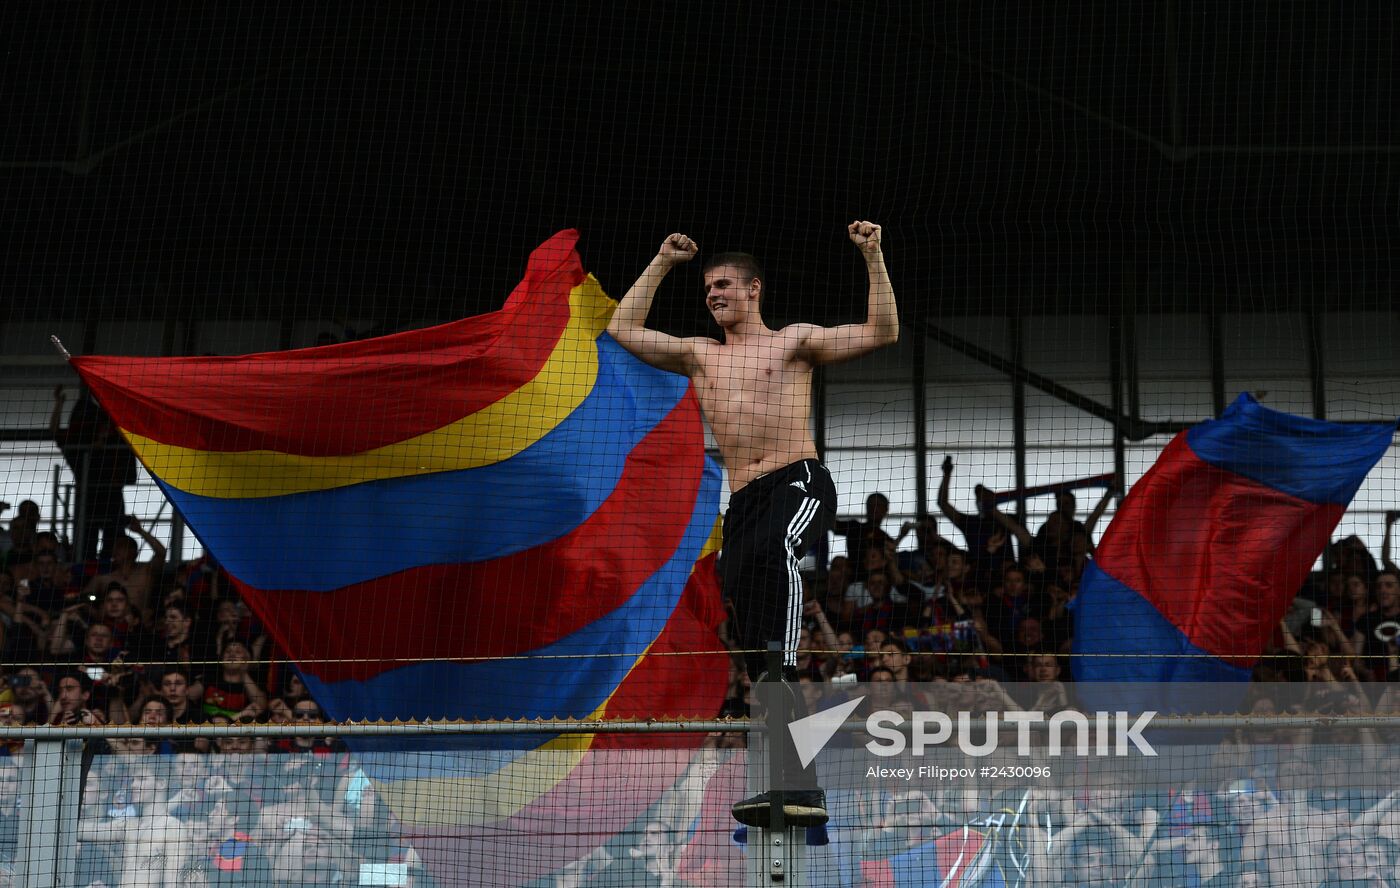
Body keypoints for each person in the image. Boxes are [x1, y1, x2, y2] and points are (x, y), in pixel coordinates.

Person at [609, 222, 897, 828]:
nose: (712, 294)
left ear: (753, 290)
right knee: (738, 583)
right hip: (742, 501)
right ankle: (793, 782)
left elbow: (881, 331)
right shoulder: (700, 354)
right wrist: (663, 260)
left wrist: (871, 254)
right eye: (707, 287)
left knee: (774, 555)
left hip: (796, 480)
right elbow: (622, 329)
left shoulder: (793, 342)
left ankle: (784, 659)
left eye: (722, 285)